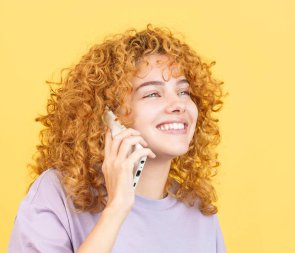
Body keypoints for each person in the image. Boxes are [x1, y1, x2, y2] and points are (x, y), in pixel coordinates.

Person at [8, 24, 226, 253]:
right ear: (108, 115)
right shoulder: (56, 194)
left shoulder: (200, 213)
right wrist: (116, 209)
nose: (178, 105)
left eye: (183, 92)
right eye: (152, 93)